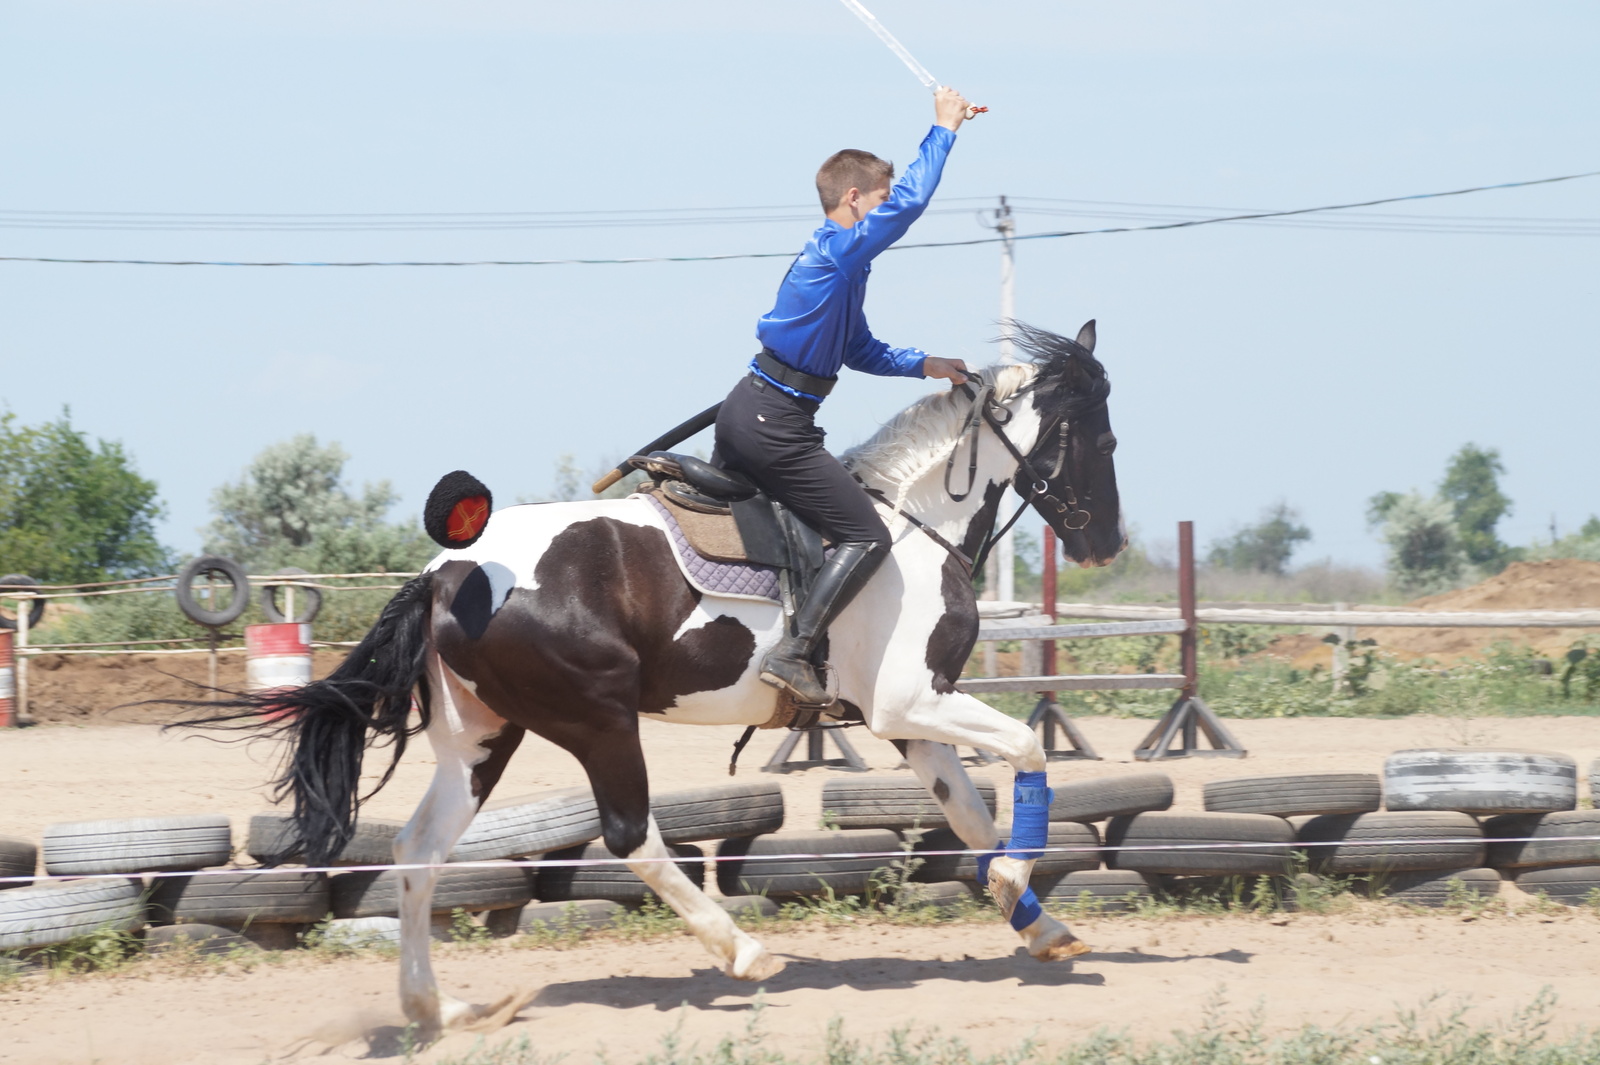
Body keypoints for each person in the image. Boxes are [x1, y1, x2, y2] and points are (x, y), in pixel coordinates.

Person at [711, 87, 975, 706]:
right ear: (854, 200)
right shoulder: (834, 253)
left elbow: (859, 349)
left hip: (754, 413)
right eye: (877, 201)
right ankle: (795, 652)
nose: (885, 213)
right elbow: (906, 206)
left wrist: (927, 364)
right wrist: (945, 129)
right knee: (868, 537)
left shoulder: (841, 272)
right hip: (774, 424)